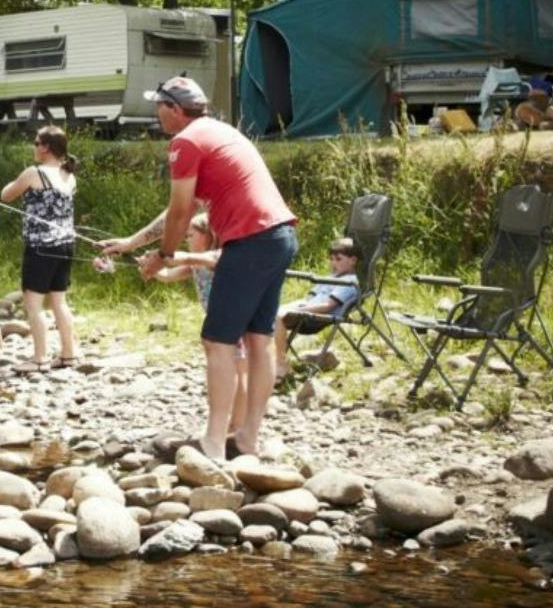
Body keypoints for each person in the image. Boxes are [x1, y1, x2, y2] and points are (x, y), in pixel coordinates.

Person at [102, 76, 297, 462]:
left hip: (249, 242)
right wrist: (131, 243)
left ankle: (213, 440)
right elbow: (185, 209)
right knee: (258, 339)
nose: (156, 114)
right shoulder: (220, 131)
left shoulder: (186, 141)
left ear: (174, 109)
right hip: (280, 236)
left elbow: (179, 211)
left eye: (159, 106)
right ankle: (247, 438)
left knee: (217, 342)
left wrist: (164, 256)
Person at [149, 213, 251, 438]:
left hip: (236, 320)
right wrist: (152, 267)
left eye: (191, 235)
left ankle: (237, 425)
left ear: (209, 235)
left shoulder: (218, 255)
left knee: (240, 371)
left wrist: (175, 256)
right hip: (218, 320)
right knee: (231, 369)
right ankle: (232, 424)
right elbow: (167, 275)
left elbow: (203, 260)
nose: (187, 238)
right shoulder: (195, 262)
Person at [2, 125, 78, 371]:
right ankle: (68, 355)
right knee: (59, 302)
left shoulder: (34, 173)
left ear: (46, 147)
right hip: (66, 245)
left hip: (40, 248)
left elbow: (6, 195)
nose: (34, 147)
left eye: (36, 143)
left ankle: (39, 358)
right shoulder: (70, 176)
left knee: (33, 304)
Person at [273, 237, 360, 382]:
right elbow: (309, 298)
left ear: (353, 260)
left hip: (316, 317)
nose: (333, 263)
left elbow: (327, 306)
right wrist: (297, 305)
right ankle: (266, 360)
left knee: (278, 317)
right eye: (331, 259)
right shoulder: (330, 277)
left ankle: (281, 365)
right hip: (306, 307)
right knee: (265, 314)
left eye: (338, 259)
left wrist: (302, 309)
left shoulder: (350, 282)